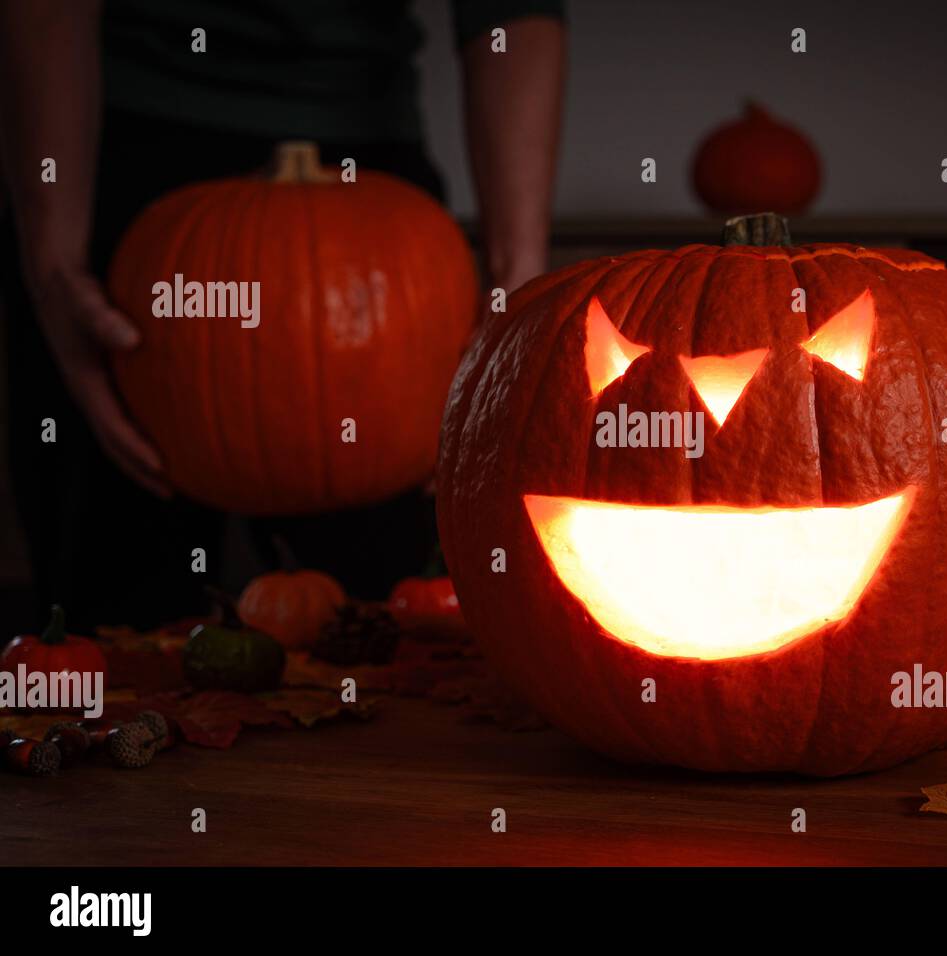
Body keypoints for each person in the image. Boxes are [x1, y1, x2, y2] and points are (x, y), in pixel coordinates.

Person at [0, 0, 566, 631]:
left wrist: (517, 273)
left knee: (387, 623)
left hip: (368, 160)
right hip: (110, 147)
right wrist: (54, 265)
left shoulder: (407, 240)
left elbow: (511, 9)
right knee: (108, 619)